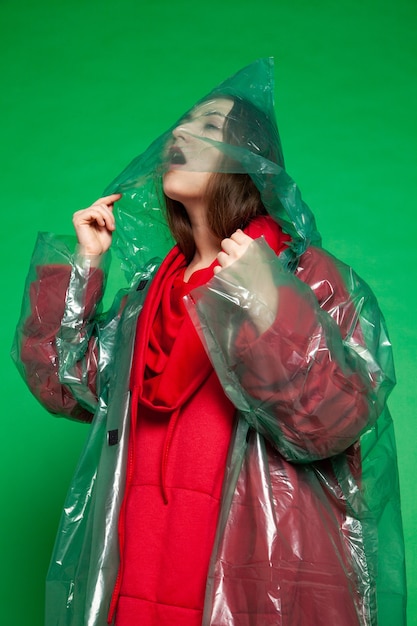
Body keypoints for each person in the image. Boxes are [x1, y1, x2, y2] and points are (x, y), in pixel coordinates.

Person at [12, 59, 406, 626]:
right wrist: (86, 265)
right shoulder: (148, 299)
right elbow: (62, 380)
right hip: (137, 580)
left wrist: (269, 300)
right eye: (182, 125)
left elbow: (334, 419)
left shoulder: (302, 274)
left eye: (208, 128)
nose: (180, 135)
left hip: (245, 590)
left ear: (249, 160)